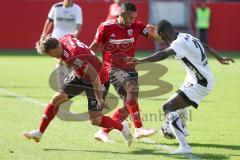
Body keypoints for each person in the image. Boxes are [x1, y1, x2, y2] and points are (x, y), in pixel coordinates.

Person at [129, 20, 234, 154]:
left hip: (201, 83)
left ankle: (184, 146)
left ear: (163, 34)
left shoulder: (178, 43)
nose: (159, 39)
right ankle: (182, 127)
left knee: (168, 107)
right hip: (196, 78)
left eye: (159, 36)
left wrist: (140, 61)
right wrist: (219, 58)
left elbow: (163, 54)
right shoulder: (186, 36)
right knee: (178, 103)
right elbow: (205, 45)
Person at [23, 34, 133, 146]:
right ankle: (39, 133)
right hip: (80, 75)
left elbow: (93, 75)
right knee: (56, 99)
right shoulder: (63, 39)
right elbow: (71, 35)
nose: (51, 57)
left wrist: (99, 97)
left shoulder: (73, 55)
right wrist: (86, 54)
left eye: (49, 54)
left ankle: (121, 126)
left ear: (54, 49)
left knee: (95, 120)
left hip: (99, 78)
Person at [90, 2, 162, 142]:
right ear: (121, 14)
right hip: (112, 68)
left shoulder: (137, 25)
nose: (133, 21)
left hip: (130, 68)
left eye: (135, 18)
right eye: (130, 18)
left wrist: (156, 33)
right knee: (131, 88)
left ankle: (103, 132)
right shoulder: (105, 27)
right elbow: (93, 47)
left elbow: (155, 38)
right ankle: (139, 128)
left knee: (128, 104)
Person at [41, 0, 83, 90]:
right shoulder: (56, 7)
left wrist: (74, 36)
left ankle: (70, 83)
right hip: (57, 37)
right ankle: (61, 86)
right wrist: (44, 34)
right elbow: (49, 20)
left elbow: (78, 25)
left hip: (69, 38)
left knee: (69, 62)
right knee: (60, 60)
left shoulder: (77, 9)